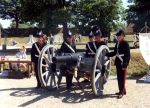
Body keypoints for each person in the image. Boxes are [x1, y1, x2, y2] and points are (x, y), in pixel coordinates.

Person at [106, 29, 130, 99]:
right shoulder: (117, 43)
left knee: (122, 78)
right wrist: (107, 54)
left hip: (123, 62)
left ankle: (121, 93)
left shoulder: (125, 43)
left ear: (122, 36)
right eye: (117, 36)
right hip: (118, 62)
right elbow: (114, 53)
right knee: (119, 78)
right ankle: (122, 90)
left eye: (118, 36)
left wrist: (125, 64)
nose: (117, 37)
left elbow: (127, 55)